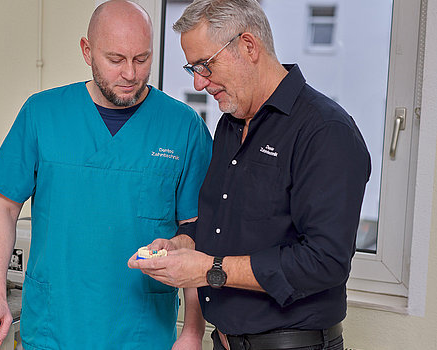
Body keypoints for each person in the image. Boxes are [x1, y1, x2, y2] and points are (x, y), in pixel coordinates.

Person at [0, 1, 213, 349]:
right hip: (54, 331)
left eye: (142, 59)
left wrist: (192, 330)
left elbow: (196, 235)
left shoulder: (183, 127)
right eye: (115, 59)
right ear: (87, 51)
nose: (130, 73)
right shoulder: (42, 114)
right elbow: (3, 207)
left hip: (142, 334)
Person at [129, 0, 371, 349]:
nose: (199, 83)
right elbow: (224, 225)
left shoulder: (325, 130)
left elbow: (325, 260)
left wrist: (209, 269)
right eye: (192, 68)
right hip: (225, 341)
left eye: (205, 66)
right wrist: (183, 246)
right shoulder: (231, 125)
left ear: (248, 46)